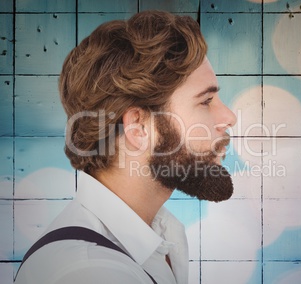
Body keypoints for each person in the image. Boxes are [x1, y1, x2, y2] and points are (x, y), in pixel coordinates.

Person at [14, 10, 236, 284]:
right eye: (206, 101)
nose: (229, 117)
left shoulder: (162, 235)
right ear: (138, 127)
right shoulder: (89, 273)